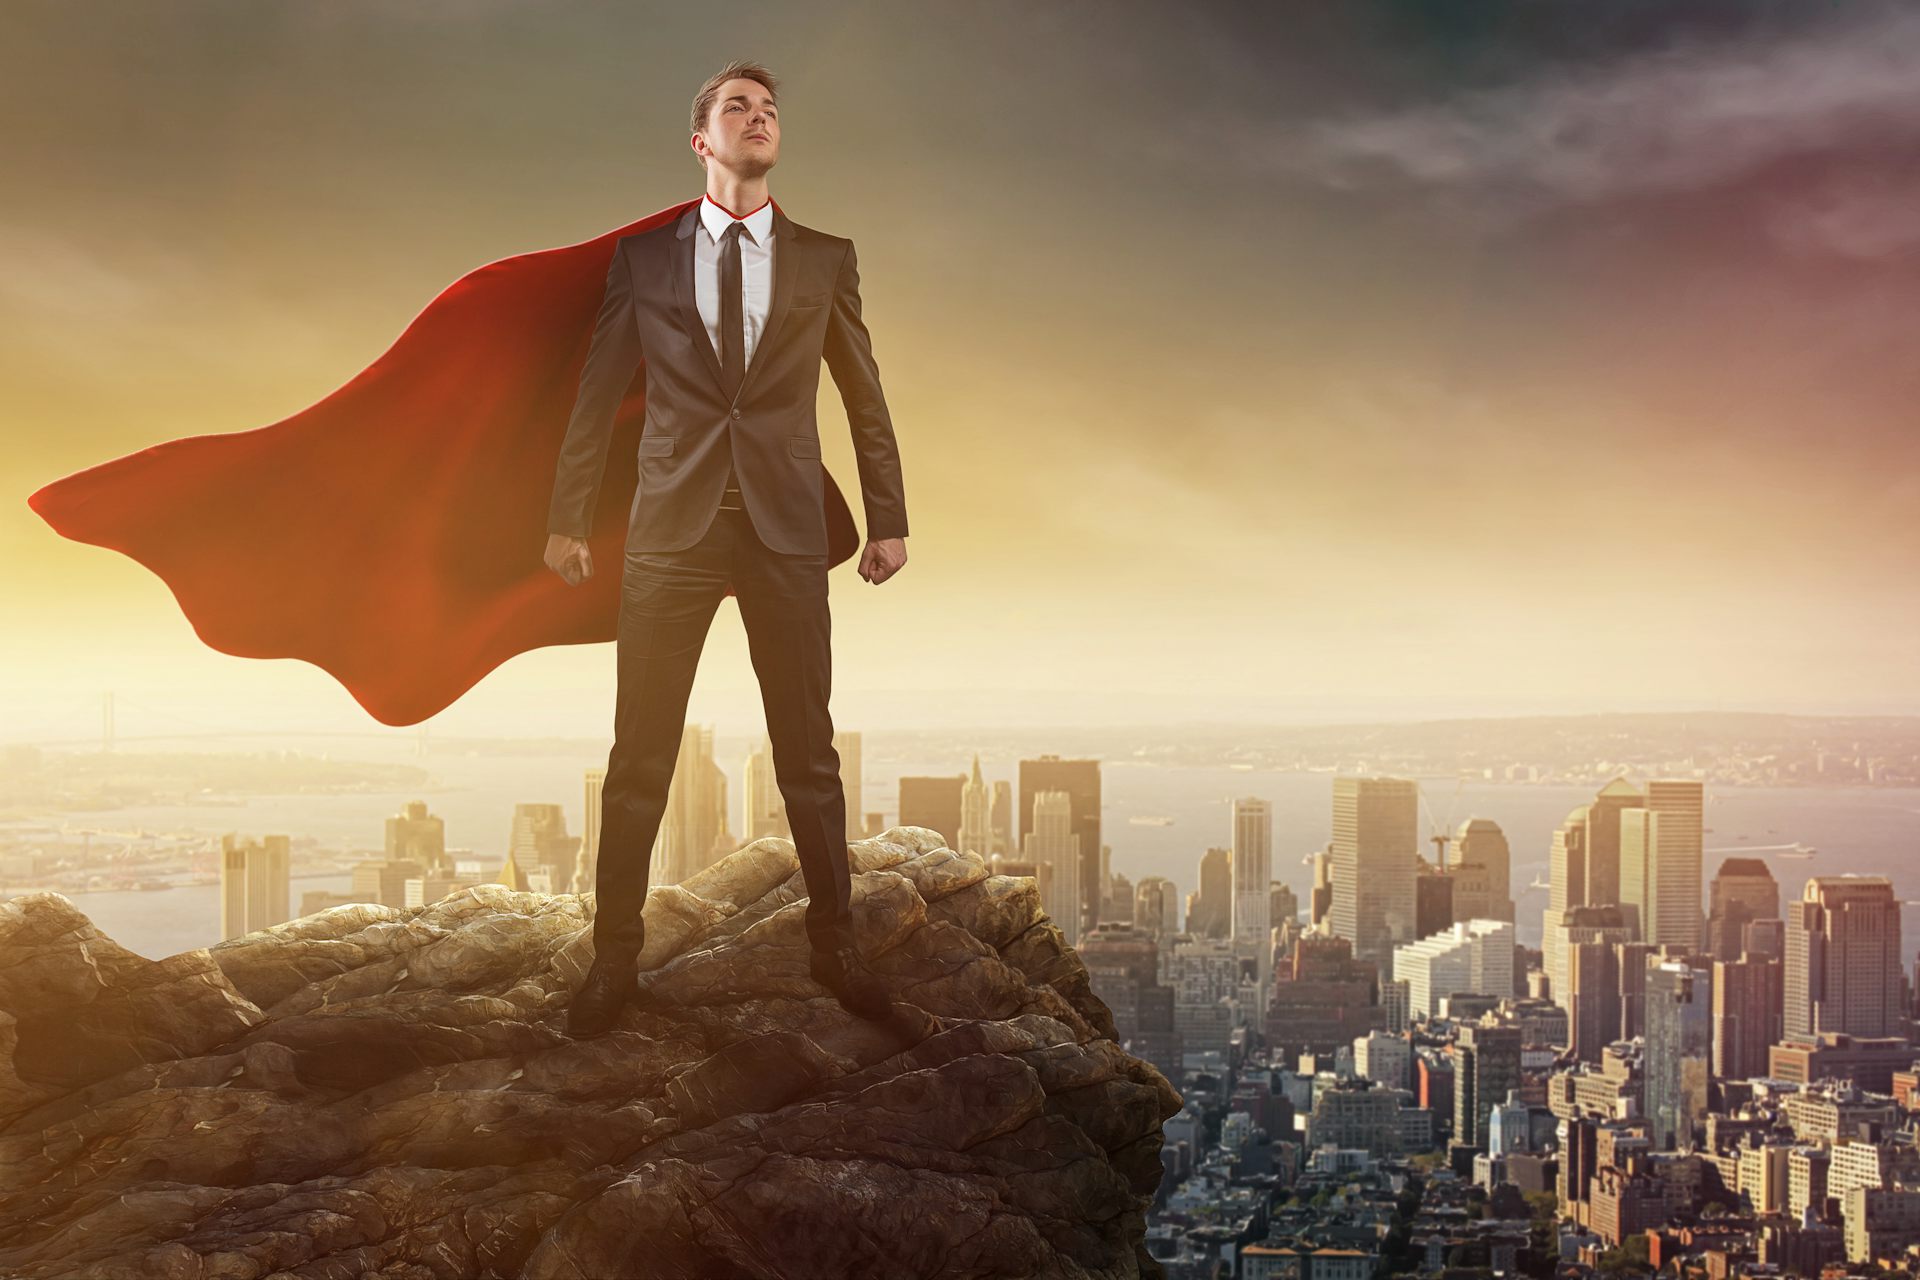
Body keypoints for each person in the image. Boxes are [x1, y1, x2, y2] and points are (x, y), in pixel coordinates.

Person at [543, 60, 909, 1037]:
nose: (760, 118)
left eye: (771, 110)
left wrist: (889, 517)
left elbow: (862, 393)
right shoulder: (645, 262)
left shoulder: (826, 258)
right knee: (641, 757)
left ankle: (837, 949)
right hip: (672, 533)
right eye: (737, 108)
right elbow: (595, 396)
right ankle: (612, 961)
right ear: (702, 141)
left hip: (785, 530)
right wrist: (569, 517)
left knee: (808, 755)